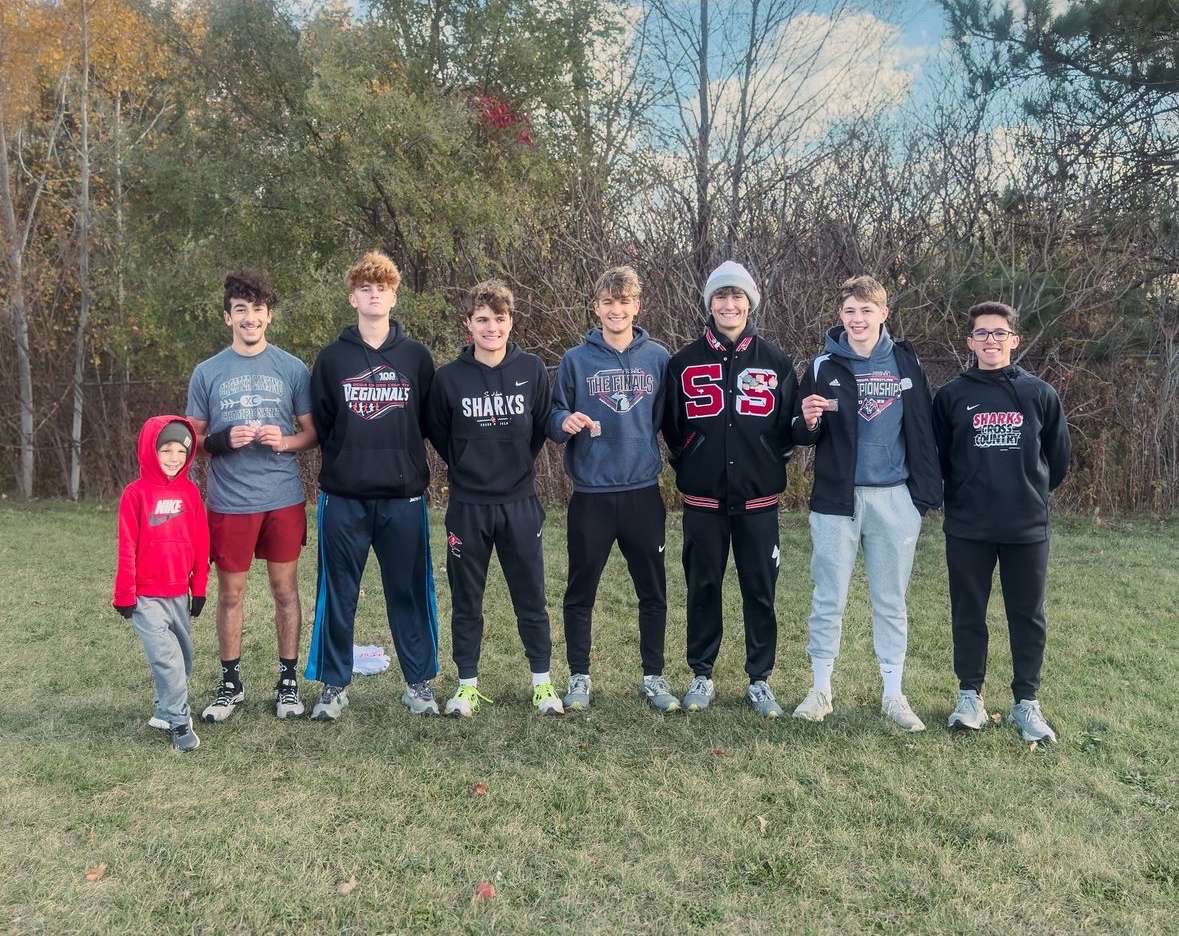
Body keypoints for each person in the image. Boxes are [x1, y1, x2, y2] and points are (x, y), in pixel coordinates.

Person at [790, 275, 942, 731]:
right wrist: (808, 420)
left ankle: (893, 694)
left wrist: (919, 498)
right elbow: (800, 431)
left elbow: (923, 430)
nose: (858, 320)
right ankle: (820, 690)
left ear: (883, 314)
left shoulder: (905, 363)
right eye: (850, 312)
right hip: (837, 500)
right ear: (841, 317)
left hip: (894, 497)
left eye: (866, 311)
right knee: (828, 597)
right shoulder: (821, 367)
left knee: (890, 600)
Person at [304, 250, 441, 719]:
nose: (374, 293)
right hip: (343, 498)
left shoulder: (417, 358)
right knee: (337, 591)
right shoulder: (332, 358)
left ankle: (419, 683)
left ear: (394, 296)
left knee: (408, 589)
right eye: (365, 287)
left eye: (382, 287)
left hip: (403, 499)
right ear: (352, 297)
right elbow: (323, 422)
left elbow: (429, 423)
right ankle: (333, 686)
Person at [664, 261, 800, 717]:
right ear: (710, 304)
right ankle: (701, 674)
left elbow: (787, 427)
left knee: (760, 590)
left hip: (758, 500)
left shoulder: (776, 361)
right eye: (720, 296)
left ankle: (759, 680)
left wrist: (766, 457)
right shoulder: (682, 362)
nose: (729, 304)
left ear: (750, 302)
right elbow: (671, 425)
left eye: (737, 296)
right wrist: (690, 452)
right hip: (703, 499)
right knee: (703, 586)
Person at [932, 301, 1071, 742]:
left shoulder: (1039, 394)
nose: (990, 341)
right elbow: (940, 458)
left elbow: (1058, 460)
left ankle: (1026, 702)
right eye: (982, 333)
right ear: (970, 341)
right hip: (969, 526)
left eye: (999, 333)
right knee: (968, 612)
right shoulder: (952, 395)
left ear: (1014, 340)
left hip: (1025, 527)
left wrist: (1026, 493)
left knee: (1027, 614)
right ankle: (969, 696)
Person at [426, 280, 561, 716]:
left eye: (499, 319)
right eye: (482, 319)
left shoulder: (533, 371)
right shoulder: (448, 379)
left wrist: (511, 466)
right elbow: (440, 434)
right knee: (467, 599)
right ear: (469, 324)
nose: (491, 327)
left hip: (520, 503)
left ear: (510, 321)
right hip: (468, 507)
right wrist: (469, 463)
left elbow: (540, 427)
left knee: (531, 597)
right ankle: (466, 685)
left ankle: (542, 684)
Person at [187, 270, 317, 723]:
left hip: (281, 497)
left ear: (268, 316)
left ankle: (287, 683)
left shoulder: (292, 368)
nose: (250, 318)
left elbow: (311, 433)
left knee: (285, 591)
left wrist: (283, 441)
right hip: (229, 502)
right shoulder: (208, 372)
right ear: (228, 318)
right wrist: (222, 440)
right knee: (231, 594)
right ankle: (230, 684)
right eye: (240, 310)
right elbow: (192, 439)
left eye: (257, 310)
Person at [547, 265, 677, 712]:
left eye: (624, 302)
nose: (616, 310)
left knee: (652, 590)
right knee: (581, 589)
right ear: (596, 307)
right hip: (592, 495)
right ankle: (579, 676)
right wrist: (564, 423)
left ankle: (653, 677)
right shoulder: (575, 360)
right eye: (608, 302)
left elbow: (667, 419)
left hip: (642, 491)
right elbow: (554, 413)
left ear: (637, 306)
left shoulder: (658, 357)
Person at [112, 416, 209, 752]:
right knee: (166, 659)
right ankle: (180, 723)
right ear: (149, 450)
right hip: (145, 597)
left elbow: (201, 542)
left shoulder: (190, 493)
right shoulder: (135, 494)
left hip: (178, 594)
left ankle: (163, 710)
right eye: (165, 449)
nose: (172, 457)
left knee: (183, 659)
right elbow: (126, 546)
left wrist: (199, 589)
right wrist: (125, 593)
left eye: (180, 450)